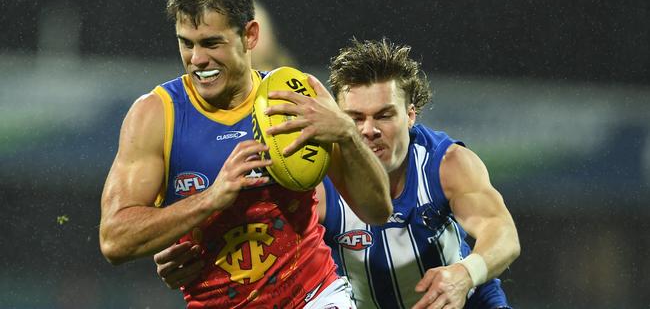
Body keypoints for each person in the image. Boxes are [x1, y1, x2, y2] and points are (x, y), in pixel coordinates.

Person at [99, 0, 392, 309]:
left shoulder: (297, 97)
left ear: (249, 35)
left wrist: (347, 133)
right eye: (186, 43)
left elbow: (377, 210)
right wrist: (210, 199)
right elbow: (114, 240)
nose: (197, 59)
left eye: (210, 43)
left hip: (314, 297)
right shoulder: (156, 116)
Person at [155, 38, 520, 309]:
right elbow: (261, 233)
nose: (368, 131)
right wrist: (195, 259)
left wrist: (465, 274)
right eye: (354, 119)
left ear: (411, 115)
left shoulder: (445, 163)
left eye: (384, 115)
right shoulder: (316, 175)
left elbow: (503, 234)